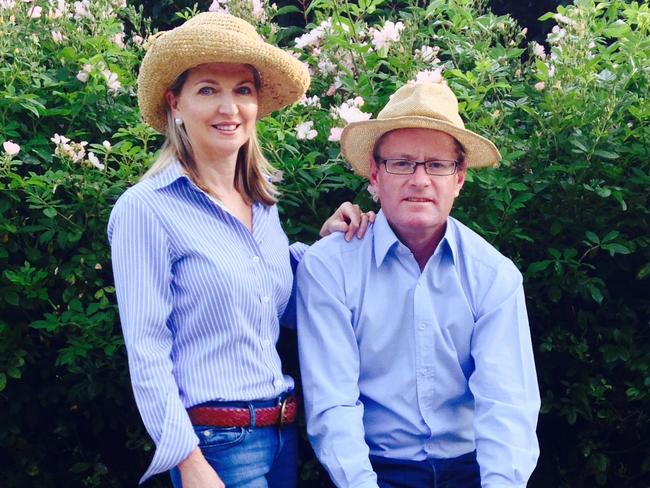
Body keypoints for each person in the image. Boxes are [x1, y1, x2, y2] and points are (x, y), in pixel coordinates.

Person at [108, 12, 372, 488]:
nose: (229, 108)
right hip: (214, 446)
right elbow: (147, 351)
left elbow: (284, 310)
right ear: (176, 103)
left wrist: (330, 248)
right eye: (208, 89)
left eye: (242, 90)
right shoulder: (146, 210)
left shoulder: (262, 203)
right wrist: (188, 462)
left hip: (282, 436)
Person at [297, 81, 541, 488]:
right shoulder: (329, 268)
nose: (420, 180)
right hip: (373, 468)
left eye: (438, 165)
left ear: (459, 178)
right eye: (402, 163)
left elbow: (507, 406)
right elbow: (333, 404)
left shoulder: (493, 275)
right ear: (375, 174)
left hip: (470, 469)